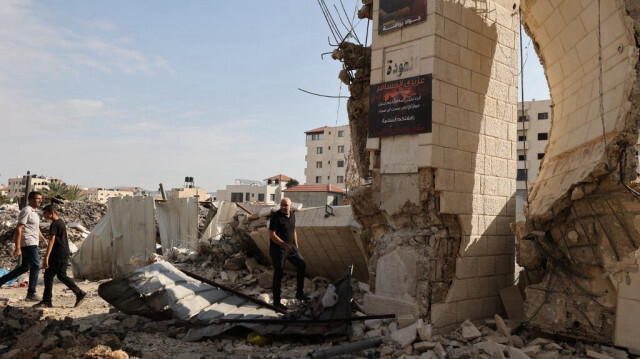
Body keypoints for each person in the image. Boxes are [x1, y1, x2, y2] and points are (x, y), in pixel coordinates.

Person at [34, 204, 86, 308]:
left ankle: (47, 301)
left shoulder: (54, 224)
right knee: (61, 275)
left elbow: (52, 241)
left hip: (58, 253)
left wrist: (46, 257)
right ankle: (79, 293)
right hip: (64, 252)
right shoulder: (61, 222)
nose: (43, 215)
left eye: (45, 213)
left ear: (51, 213)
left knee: (49, 276)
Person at [0, 191, 46, 301]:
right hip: (28, 242)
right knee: (36, 266)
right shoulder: (26, 211)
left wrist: (43, 239)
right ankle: (31, 292)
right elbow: (19, 228)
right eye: (37, 198)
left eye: (40, 198)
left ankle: (0, 281)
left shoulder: (35, 212)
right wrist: (17, 247)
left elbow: (36, 228)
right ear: (30, 200)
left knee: (25, 267)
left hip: (33, 242)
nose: (40, 200)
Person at [268, 197, 308, 309]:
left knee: (302, 265)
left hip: (291, 247)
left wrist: (296, 245)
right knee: (279, 273)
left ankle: (299, 293)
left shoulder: (293, 215)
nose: (283, 207)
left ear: (290, 206)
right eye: (281, 205)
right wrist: (284, 245)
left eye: (285, 205)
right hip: (278, 249)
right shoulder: (275, 217)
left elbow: (293, 230)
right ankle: (276, 302)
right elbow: (272, 234)